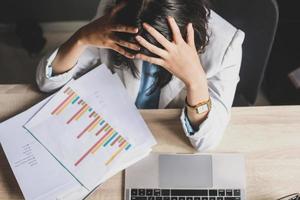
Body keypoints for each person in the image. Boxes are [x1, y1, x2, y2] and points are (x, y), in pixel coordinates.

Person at [36, 0, 245, 151]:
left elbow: (206, 141)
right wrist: (81, 38)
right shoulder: (115, 11)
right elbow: (47, 83)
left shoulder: (227, 44)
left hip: (169, 140)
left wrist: (196, 80)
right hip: (115, 133)